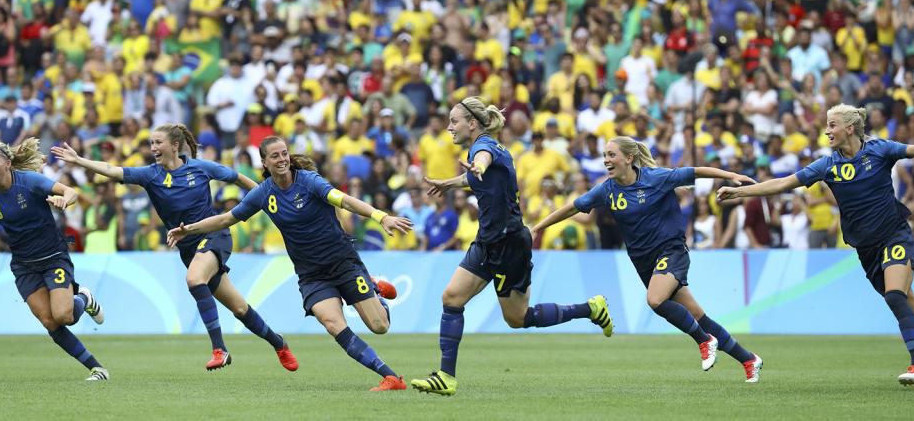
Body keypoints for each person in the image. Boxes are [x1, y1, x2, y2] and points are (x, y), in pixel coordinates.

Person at [166, 136, 412, 392]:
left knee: (379, 326)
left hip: (342, 262)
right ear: (264, 162)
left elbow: (346, 200)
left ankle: (374, 290)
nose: (282, 159)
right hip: (311, 275)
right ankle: (391, 377)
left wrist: (380, 216)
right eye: (275, 156)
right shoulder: (262, 193)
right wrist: (189, 230)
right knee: (333, 324)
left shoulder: (310, 181)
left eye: (284, 153)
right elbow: (226, 219)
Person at [718, 104, 914, 387]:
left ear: (849, 128)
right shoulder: (828, 165)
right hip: (866, 250)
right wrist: (739, 191)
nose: (826, 131)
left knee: (895, 296)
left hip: (895, 235)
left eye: (832, 125)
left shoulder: (880, 150)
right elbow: (784, 183)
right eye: (826, 125)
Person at [51, 124, 297, 372]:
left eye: (158, 142)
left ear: (175, 146)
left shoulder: (200, 168)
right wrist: (79, 160)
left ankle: (220, 350)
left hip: (213, 235)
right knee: (240, 308)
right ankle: (279, 343)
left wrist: (269, 198)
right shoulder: (151, 175)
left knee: (194, 279)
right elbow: (112, 171)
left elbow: (237, 178)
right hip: (189, 249)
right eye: (151, 143)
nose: (153, 148)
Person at [411, 97, 614, 396]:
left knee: (516, 319)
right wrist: (450, 183)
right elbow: (477, 175)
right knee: (452, 297)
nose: (449, 126)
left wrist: (476, 167)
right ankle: (446, 376)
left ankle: (591, 308)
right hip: (487, 240)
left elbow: (481, 163)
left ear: (472, 123)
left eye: (454, 121)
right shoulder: (483, 149)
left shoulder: (486, 147)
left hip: (509, 244)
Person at [531, 136, 765, 383]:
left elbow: (696, 172)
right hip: (643, 262)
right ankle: (749, 360)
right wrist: (538, 228)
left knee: (655, 300)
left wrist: (730, 176)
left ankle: (704, 341)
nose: (606, 161)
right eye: (604, 156)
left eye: (612, 155)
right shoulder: (607, 189)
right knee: (699, 317)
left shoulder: (656, 177)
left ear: (629, 158)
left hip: (671, 251)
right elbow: (573, 207)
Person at [0, 139, 107, 380]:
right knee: (50, 322)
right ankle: (97, 368)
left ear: (8, 164)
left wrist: (63, 200)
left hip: (53, 257)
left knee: (63, 316)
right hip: (23, 266)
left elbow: (71, 192)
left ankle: (83, 298)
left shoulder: (29, 181)